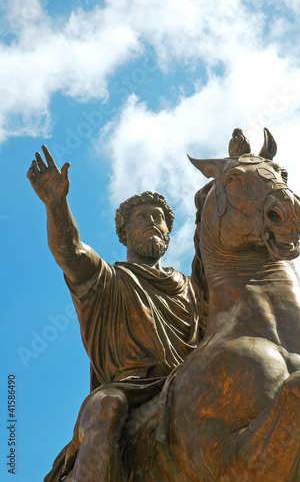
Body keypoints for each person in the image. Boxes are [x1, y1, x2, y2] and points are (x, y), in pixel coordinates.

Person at [27, 146, 200, 481]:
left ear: (168, 231)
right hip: (129, 388)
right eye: (141, 217)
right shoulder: (106, 280)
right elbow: (71, 252)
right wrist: (55, 204)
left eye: (158, 217)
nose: (152, 221)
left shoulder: (194, 288)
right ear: (124, 234)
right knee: (105, 407)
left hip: (191, 382)